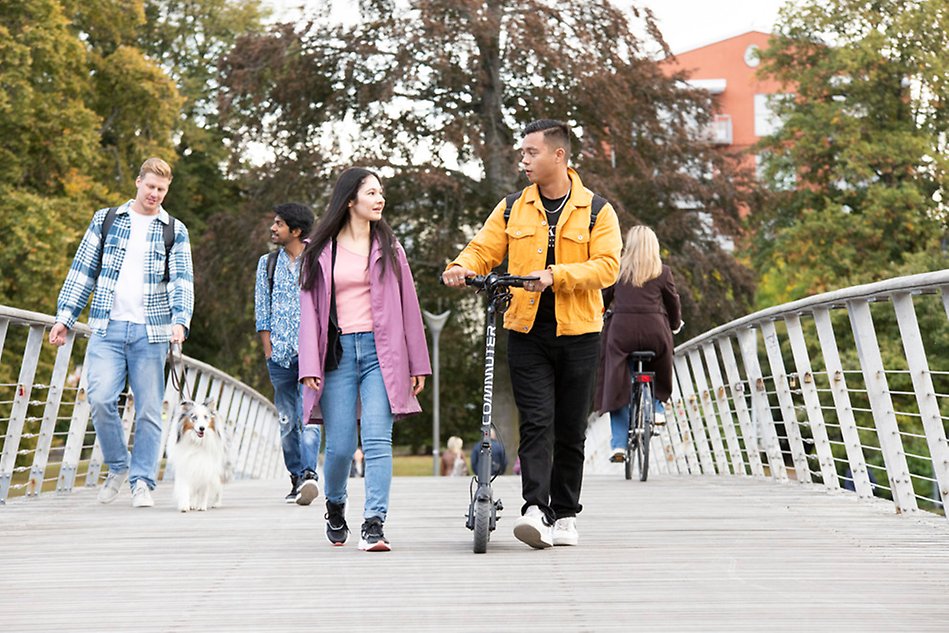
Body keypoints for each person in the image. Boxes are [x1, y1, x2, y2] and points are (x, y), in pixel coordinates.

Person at [443, 119, 622, 549]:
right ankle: (535, 509)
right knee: (537, 423)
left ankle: (565, 514)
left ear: (558, 156)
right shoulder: (512, 208)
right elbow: (483, 248)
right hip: (526, 331)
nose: (523, 160)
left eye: (531, 153)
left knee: (570, 428)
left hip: (579, 333)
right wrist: (461, 266)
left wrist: (555, 276)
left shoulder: (598, 210)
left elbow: (607, 267)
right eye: (522, 153)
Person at [299, 167, 431, 552]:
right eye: (371, 193)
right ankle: (335, 504)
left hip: (382, 354)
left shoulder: (391, 250)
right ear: (350, 200)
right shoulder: (320, 251)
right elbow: (309, 313)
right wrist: (309, 365)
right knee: (339, 446)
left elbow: (409, 307)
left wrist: (417, 363)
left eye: (381, 192)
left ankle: (374, 523)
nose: (379, 199)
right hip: (336, 356)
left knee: (377, 439)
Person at [49, 157, 194, 508]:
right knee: (98, 398)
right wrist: (64, 317)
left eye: (161, 190)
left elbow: (182, 280)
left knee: (147, 409)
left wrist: (181, 319)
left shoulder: (174, 229)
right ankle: (118, 466)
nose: (155, 194)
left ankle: (141, 481)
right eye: (150, 187)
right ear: (137, 182)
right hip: (106, 327)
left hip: (152, 332)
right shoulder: (107, 220)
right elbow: (82, 271)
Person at [594, 226, 682, 462]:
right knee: (661, 359)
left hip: (622, 333)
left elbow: (602, 299)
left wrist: (598, 316)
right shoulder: (662, 272)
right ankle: (657, 406)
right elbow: (673, 303)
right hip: (655, 330)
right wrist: (674, 324)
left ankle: (619, 445)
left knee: (617, 380)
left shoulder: (617, 271)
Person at [255, 203, 322, 505]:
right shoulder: (266, 263)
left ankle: (309, 475)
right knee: (286, 420)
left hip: (313, 356)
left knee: (309, 417)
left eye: (279, 224)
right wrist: (268, 351)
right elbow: (262, 310)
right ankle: (295, 476)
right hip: (280, 356)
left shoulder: (320, 259)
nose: (273, 228)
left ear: (295, 231)